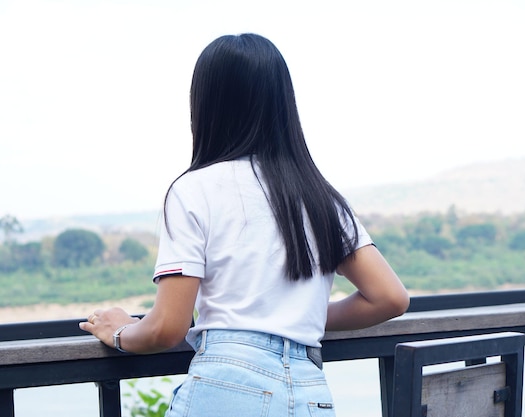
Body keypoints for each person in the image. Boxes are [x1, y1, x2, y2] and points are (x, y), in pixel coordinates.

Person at [79, 33, 409, 417]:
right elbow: (390, 297)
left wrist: (118, 331)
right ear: (283, 103)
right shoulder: (320, 196)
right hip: (310, 393)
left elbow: (168, 327)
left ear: (205, 105)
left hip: (228, 387)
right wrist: (298, 316)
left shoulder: (194, 189)